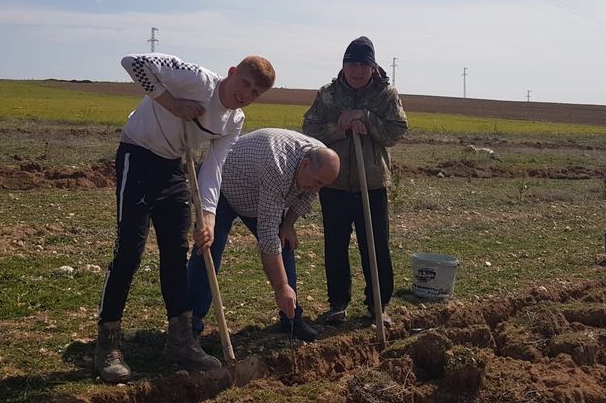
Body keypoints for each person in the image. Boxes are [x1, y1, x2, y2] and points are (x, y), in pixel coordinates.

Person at [94, 52, 275, 384]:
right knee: (130, 251)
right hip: (138, 153)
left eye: (254, 93)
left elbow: (214, 169)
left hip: (173, 167)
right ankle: (108, 341)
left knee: (177, 253)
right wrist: (172, 103)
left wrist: (207, 216)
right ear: (232, 72)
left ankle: (180, 340)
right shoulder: (197, 80)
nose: (245, 95)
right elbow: (132, 62)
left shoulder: (233, 121)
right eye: (244, 84)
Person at [187, 128, 340, 342]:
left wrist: (288, 224)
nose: (317, 190)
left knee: (283, 241)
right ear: (305, 165)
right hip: (221, 187)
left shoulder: (320, 161)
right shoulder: (278, 166)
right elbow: (267, 237)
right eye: (317, 183)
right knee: (208, 249)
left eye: (323, 185)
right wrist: (280, 287)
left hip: (255, 193)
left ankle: (291, 318)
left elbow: (307, 196)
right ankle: (189, 325)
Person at [301, 36, 408, 327]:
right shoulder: (328, 94)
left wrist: (367, 119)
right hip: (333, 183)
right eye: (352, 64)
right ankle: (337, 305)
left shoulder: (386, 94)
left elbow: (397, 131)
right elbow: (309, 129)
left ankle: (378, 306)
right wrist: (339, 126)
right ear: (343, 66)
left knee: (375, 245)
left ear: (373, 68)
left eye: (363, 65)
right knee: (334, 246)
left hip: (371, 183)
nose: (357, 71)